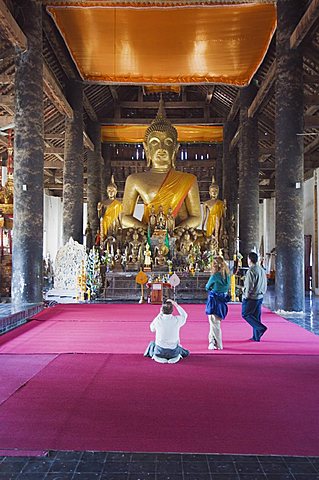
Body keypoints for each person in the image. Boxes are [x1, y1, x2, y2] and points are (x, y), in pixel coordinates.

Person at [122, 98, 201, 230]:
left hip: (179, 235)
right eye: (154, 142)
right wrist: (146, 231)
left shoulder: (189, 180)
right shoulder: (134, 180)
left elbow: (196, 217)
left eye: (168, 142)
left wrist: (177, 231)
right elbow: (124, 217)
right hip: (146, 235)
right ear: (146, 148)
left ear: (175, 148)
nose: (161, 147)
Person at [144, 299, 189, 364]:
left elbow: (152, 329)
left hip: (159, 352)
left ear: (162, 310)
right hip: (173, 352)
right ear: (172, 310)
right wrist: (175, 304)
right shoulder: (177, 320)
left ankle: (156, 356)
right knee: (184, 351)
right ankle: (176, 357)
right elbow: (185, 315)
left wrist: (159, 314)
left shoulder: (158, 320)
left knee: (152, 344)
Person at [205, 257, 230, 350]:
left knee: (214, 323)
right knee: (215, 322)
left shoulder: (215, 276)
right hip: (222, 300)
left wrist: (211, 288)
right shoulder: (226, 275)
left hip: (214, 301)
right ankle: (211, 341)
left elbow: (207, 287)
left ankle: (219, 344)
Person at [241, 252, 268, 342]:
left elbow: (249, 285)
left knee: (246, 314)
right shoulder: (261, 269)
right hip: (260, 296)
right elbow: (265, 283)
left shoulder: (251, 271)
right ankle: (256, 337)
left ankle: (260, 328)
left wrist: (246, 296)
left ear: (249, 259)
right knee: (256, 316)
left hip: (252, 297)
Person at [97, 175, 122, 245]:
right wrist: (99, 209)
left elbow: (119, 216)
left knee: (115, 237)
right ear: (107, 192)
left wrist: (121, 226)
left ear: (115, 192)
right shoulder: (103, 203)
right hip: (105, 222)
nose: (111, 192)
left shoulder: (118, 204)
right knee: (105, 238)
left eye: (112, 191)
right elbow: (100, 216)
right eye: (109, 191)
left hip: (114, 222)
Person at [202, 176, 226, 248]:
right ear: (209, 192)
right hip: (210, 221)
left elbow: (224, 215)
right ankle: (210, 248)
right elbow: (205, 216)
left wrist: (225, 208)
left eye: (216, 191)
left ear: (218, 192)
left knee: (218, 235)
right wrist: (203, 227)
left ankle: (218, 248)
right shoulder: (206, 203)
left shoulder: (221, 203)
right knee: (210, 236)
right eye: (212, 191)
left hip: (218, 220)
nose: (214, 193)